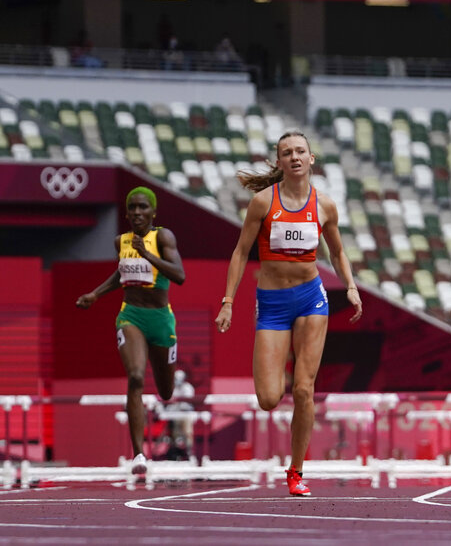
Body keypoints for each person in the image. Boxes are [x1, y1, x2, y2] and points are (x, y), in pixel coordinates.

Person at [215, 131, 363, 496]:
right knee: (269, 398)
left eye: (300, 151)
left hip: (312, 299)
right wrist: (228, 301)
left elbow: (338, 252)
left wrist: (351, 285)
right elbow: (239, 252)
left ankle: (296, 471)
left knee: (303, 390)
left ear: (311, 159)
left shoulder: (325, 206)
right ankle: (276, 359)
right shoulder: (263, 203)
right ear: (279, 162)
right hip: (272, 304)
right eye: (287, 153)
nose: (294, 157)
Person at [75, 187, 186, 475]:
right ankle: (139, 454)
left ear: (153, 212)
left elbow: (180, 275)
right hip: (131, 315)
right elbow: (122, 272)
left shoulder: (163, 237)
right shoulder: (121, 241)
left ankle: (161, 394)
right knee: (135, 377)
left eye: (143, 208)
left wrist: (148, 254)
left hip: (161, 320)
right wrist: (95, 294)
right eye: (132, 208)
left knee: (165, 391)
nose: (137, 213)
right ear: (126, 213)